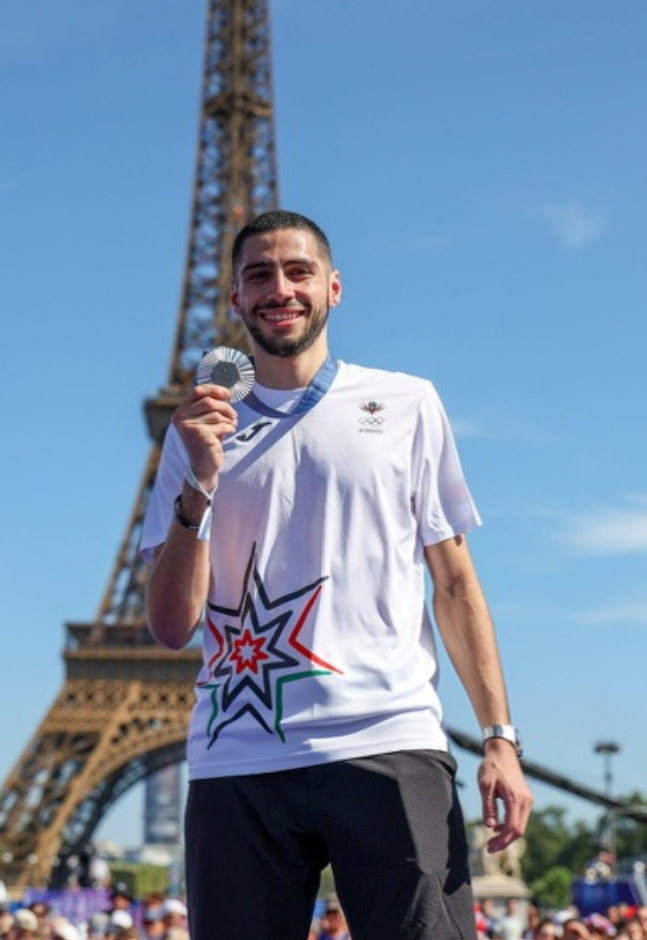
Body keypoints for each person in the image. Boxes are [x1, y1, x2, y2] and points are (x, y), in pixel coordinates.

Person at [142, 209, 534, 940]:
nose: (280, 289)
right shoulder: (196, 432)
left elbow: (454, 585)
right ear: (234, 297)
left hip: (387, 735)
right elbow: (170, 626)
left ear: (334, 287)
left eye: (298, 271)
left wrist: (499, 739)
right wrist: (198, 485)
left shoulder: (408, 403)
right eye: (259, 275)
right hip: (240, 752)